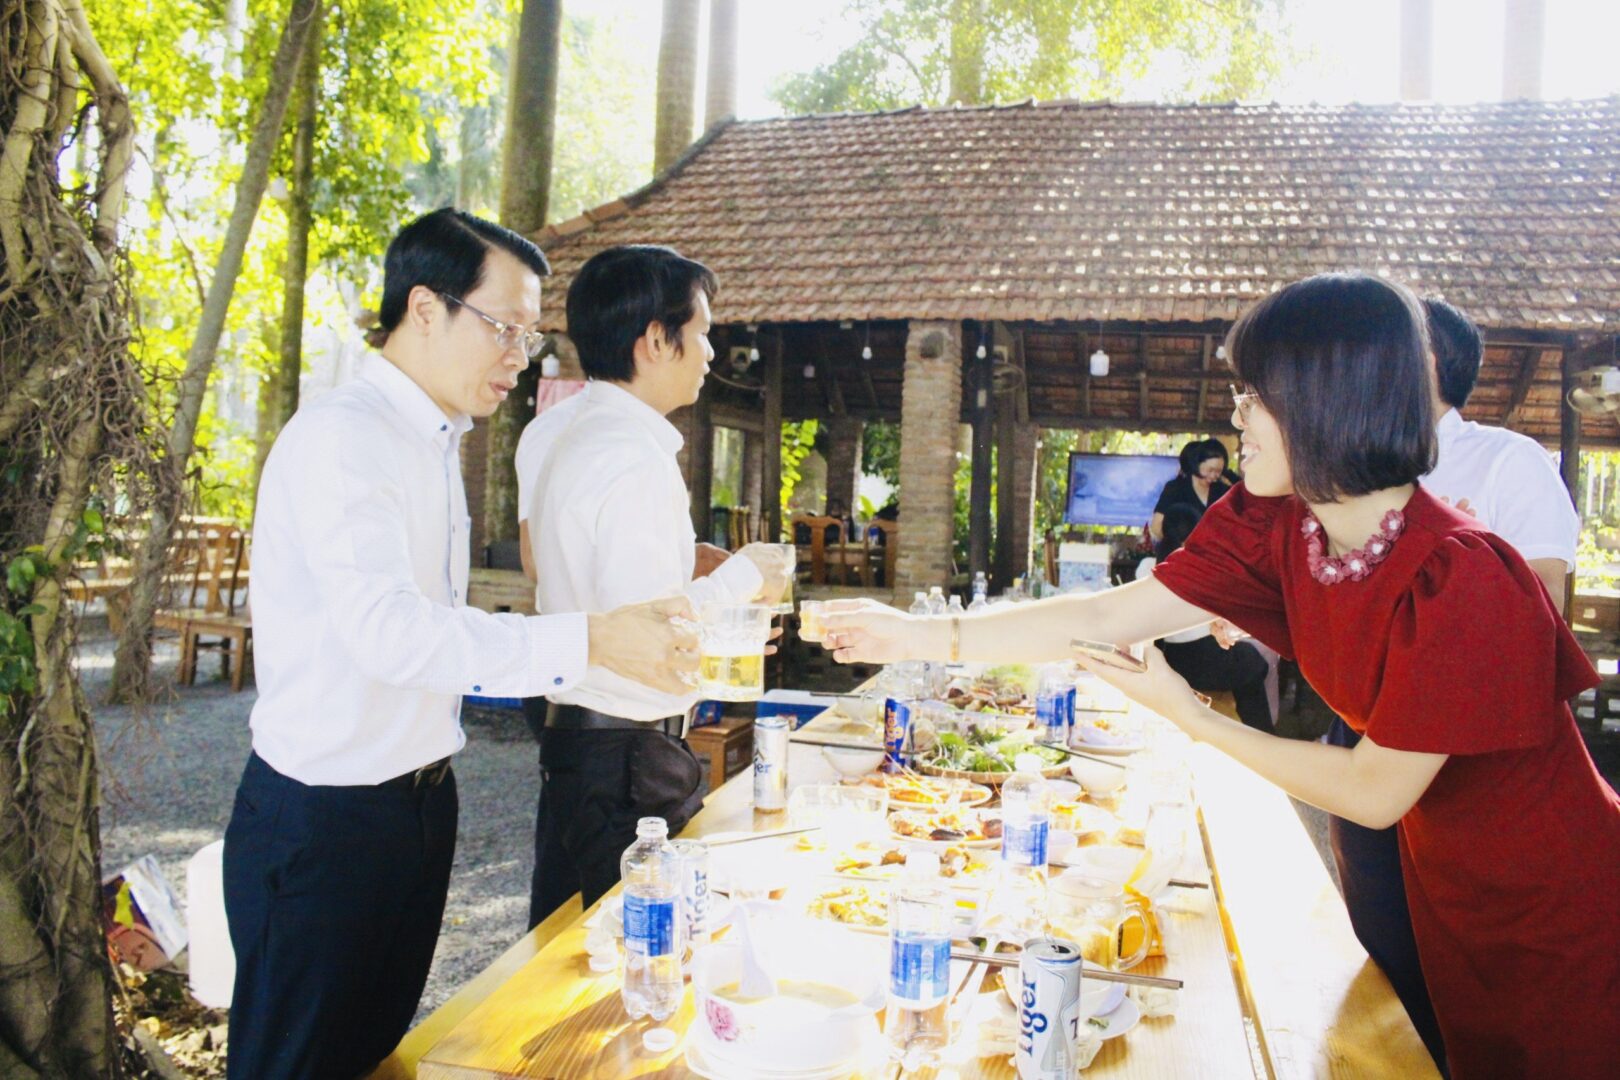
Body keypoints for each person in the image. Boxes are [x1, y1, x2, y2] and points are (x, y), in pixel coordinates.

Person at [820, 273, 1620, 1079]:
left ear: (1326, 396)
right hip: (1442, 884)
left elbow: (1375, 791)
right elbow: (1106, 615)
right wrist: (919, 633)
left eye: (1254, 395)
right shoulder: (1283, 524)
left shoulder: (1463, 571)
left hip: (1557, 900)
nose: (1236, 416)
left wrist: (1195, 717)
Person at [225, 209, 701, 1080]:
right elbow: (390, 634)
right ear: (424, 308)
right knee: (296, 1062)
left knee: (379, 1056)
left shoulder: (437, 440)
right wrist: (589, 640)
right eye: (503, 327)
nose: (520, 355)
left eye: (530, 334)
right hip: (326, 816)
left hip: (417, 803)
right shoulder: (345, 436)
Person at [1321, 296, 1583, 1075]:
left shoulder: (1507, 461)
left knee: (1473, 971)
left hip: (1467, 759)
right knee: (1383, 948)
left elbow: (1542, 607)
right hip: (1363, 732)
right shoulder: (1347, 474)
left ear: (1424, 362)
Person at [526, 244, 790, 926]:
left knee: (577, 944)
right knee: (637, 949)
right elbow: (651, 632)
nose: (710, 352)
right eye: (701, 332)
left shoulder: (582, 435)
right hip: (625, 757)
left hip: (599, 746)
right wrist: (744, 576)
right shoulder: (629, 455)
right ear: (654, 341)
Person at [1135, 503, 1273, 732]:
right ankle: (1261, 732)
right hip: (1206, 659)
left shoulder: (1147, 566)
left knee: (1249, 662)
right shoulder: (1200, 565)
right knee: (1254, 664)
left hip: (1171, 660)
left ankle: (1255, 731)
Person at [1149, 438, 1231, 541]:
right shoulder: (1175, 488)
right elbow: (1157, 526)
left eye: (1218, 471)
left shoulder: (1224, 492)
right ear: (1197, 464)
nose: (1214, 475)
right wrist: (1178, 541)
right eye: (1210, 470)